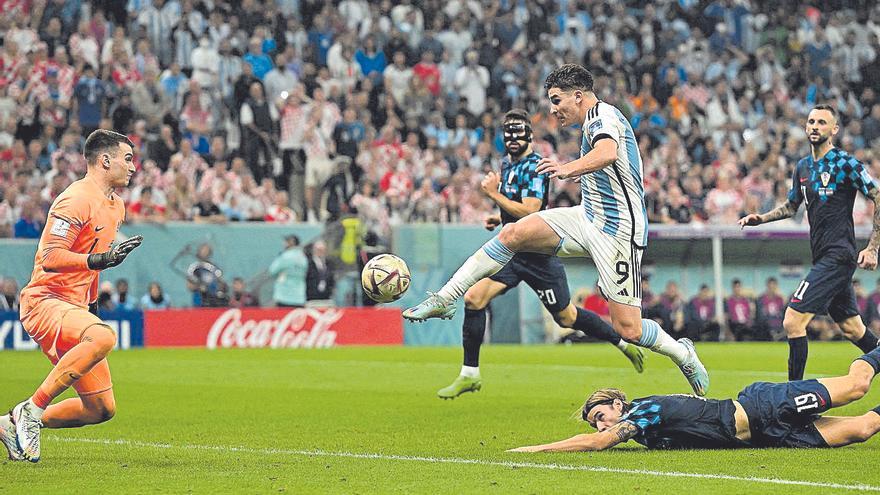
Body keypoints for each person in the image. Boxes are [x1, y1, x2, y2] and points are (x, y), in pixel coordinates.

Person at [404, 64, 709, 396]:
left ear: (578, 96)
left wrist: (566, 169)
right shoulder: (591, 121)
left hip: (618, 230)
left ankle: (682, 353)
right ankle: (446, 298)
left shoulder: (603, 116)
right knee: (512, 234)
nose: (552, 109)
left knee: (629, 329)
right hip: (586, 216)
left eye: (556, 100)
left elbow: (607, 154)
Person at [434, 109, 644, 400]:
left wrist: (493, 195)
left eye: (518, 135)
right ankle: (470, 374)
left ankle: (621, 342)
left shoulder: (534, 165)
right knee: (474, 297)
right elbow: (517, 210)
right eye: (508, 136)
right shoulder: (508, 164)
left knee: (567, 318)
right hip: (513, 253)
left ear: (529, 136)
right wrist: (501, 219)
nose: (513, 141)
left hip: (538, 256)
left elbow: (532, 210)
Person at [2, 130, 143, 463]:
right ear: (104, 160)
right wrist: (97, 261)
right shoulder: (75, 198)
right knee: (104, 338)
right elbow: (51, 257)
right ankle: (31, 411)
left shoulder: (116, 206)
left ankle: (9, 423)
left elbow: (93, 265)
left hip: (75, 307)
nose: (132, 167)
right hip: (45, 300)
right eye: (127, 158)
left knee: (100, 408)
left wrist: (92, 305)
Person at [509, 345, 880, 452]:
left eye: (602, 414)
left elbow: (598, 443)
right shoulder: (645, 434)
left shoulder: (645, 410)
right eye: (597, 421)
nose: (603, 423)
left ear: (618, 404)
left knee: (857, 386)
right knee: (865, 428)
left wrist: (536, 450)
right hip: (770, 437)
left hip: (765, 407)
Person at [739, 104, 880, 380]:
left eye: (822, 122)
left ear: (834, 130)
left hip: (839, 256)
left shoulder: (846, 163)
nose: (815, 126)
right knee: (853, 329)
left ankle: (793, 398)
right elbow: (792, 206)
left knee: (792, 321)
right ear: (806, 127)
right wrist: (762, 218)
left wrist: (873, 247)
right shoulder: (803, 167)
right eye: (811, 121)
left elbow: (878, 195)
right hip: (823, 256)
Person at [268, 234, 308, 307]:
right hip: (299, 296)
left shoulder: (285, 256)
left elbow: (272, 271)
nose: (283, 243)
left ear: (291, 243)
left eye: (286, 241)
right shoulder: (303, 258)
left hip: (284, 295)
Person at [186, 243, 228, 307]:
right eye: (202, 250)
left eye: (206, 251)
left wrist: (222, 287)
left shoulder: (213, 267)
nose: (204, 253)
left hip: (213, 301)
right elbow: (189, 286)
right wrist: (199, 287)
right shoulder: (195, 267)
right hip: (199, 301)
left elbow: (220, 283)